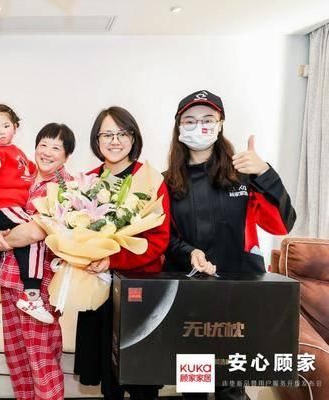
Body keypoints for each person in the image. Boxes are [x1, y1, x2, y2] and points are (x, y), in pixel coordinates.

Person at [164, 90, 296, 399]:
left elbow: (281, 224)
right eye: (190, 120)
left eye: (208, 119)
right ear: (179, 126)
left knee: (231, 385)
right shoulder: (167, 181)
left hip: (240, 290)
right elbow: (163, 238)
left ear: (220, 124)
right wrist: (190, 253)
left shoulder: (244, 175)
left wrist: (265, 172)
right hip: (191, 294)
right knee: (194, 385)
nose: (199, 126)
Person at [73, 107, 171, 400]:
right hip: (97, 289)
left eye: (122, 134)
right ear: (97, 140)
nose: (114, 141)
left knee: (143, 379)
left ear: (133, 137)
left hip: (139, 288)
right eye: (107, 134)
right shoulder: (87, 181)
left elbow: (158, 240)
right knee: (108, 379)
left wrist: (113, 259)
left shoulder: (151, 179)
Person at [0, 123, 76, 400]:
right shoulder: (23, 176)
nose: (47, 152)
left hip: (40, 286)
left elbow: (35, 231)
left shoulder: (65, 186)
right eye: (43, 145)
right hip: (9, 278)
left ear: (66, 155)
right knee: (17, 358)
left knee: (41, 357)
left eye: (56, 148)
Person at [0, 104, 54, 325]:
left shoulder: (18, 153)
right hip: (1, 206)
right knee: (35, 233)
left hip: (3, 211)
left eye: (6, 126)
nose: (1, 131)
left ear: (15, 127)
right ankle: (31, 296)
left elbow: (31, 171)